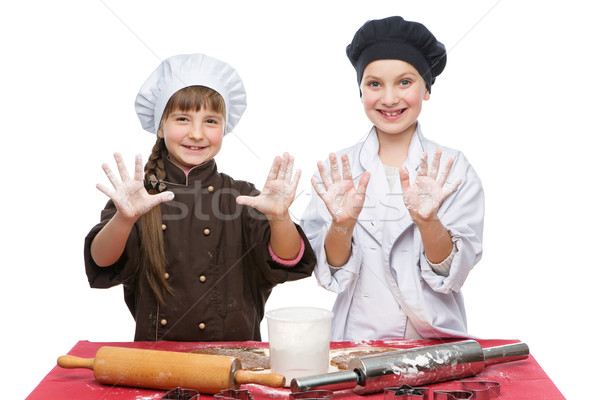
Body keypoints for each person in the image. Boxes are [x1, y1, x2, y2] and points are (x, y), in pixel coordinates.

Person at [84, 53, 315, 342]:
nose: (196, 133)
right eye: (182, 119)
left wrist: (280, 217)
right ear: (160, 126)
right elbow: (102, 262)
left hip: (235, 361)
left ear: (224, 127)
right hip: (156, 362)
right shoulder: (136, 198)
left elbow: (287, 259)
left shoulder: (243, 198)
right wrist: (124, 219)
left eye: (210, 121)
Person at [300, 16, 484, 341]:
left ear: (426, 89)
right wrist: (342, 225)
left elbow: (451, 274)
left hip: (431, 341)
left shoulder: (453, 168)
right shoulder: (338, 171)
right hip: (354, 342)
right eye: (374, 84)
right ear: (360, 91)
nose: (388, 98)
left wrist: (428, 222)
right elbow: (332, 274)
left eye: (404, 82)